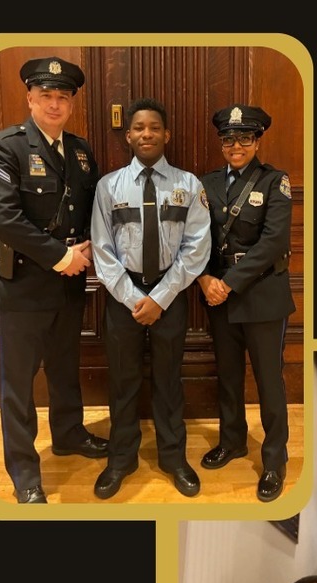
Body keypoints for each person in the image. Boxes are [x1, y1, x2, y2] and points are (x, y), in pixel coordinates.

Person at [0, 56, 108, 503]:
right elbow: (3, 219)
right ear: (30, 98)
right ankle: (24, 474)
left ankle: (69, 434)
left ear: (71, 103)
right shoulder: (6, 147)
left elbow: (94, 206)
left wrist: (93, 248)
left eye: (63, 97)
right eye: (46, 95)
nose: (55, 104)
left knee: (63, 368)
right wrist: (60, 257)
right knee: (17, 384)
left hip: (69, 284)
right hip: (22, 286)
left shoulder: (79, 150)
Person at [90, 98, 211, 500]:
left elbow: (196, 248)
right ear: (128, 135)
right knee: (122, 383)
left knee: (168, 380)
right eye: (138, 127)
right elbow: (103, 250)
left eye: (154, 127)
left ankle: (173, 458)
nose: (146, 134)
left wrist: (160, 297)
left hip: (170, 295)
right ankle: (120, 459)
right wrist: (131, 298)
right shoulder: (108, 186)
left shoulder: (189, 185)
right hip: (122, 297)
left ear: (166, 134)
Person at [197, 104, 294, 502]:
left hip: (261, 296)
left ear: (257, 141)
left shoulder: (275, 182)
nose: (236, 146)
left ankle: (274, 460)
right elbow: (195, 237)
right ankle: (233, 441)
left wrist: (228, 283)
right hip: (217, 292)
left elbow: (272, 241)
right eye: (228, 139)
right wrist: (204, 277)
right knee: (228, 375)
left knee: (270, 383)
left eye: (245, 138)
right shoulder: (206, 183)